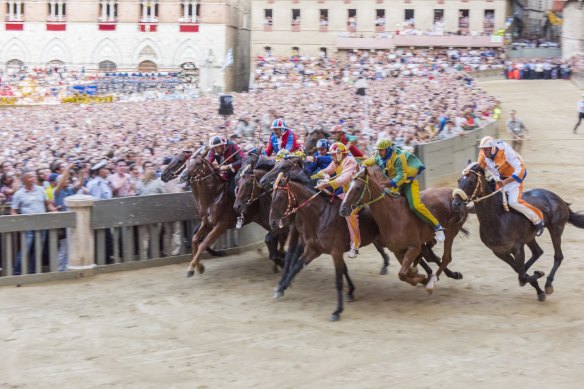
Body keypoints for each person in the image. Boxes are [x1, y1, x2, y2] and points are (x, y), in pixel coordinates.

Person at [363, 139, 446, 242]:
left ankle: (437, 226)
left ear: (388, 149)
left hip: (407, 184)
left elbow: (402, 176)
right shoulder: (378, 157)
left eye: (382, 150)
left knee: (415, 206)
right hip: (394, 185)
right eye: (378, 150)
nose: (379, 152)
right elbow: (367, 161)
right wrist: (362, 167)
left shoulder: (398, 157)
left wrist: (388, 183)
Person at [477, 136, 545, 236]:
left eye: (485, 149)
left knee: (513, 202)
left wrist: (506, 182)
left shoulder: (505, 151)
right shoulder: (483, 154)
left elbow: (520, 169)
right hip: (498, 178)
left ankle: (538, 220)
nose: (483, 151)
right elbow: (479, 169)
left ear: (492, 148)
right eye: (482, 149)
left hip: (514, 178)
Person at [314, 142, 361, 258]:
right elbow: (323, 171)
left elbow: (343, 180)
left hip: (358, 193)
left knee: (350, 214)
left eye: (333, 154)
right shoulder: (336, 161)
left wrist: (326, 184)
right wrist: (325, 177)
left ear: (339, 154)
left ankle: (355, 245)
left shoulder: (350, 161)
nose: (331, 157)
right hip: (347, 192)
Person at [11, 170, 58, 275]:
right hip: (27, 225)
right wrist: (17, 222)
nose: (33, 179)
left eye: (34, 177)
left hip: (42, 223)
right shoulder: (19, 194)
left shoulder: (41, 190)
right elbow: (14, 210)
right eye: (30, 177)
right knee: (25, 249)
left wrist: (54, 210)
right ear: (24, 179)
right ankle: (17, 272)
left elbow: (48, 204)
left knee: (38, 249)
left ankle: (33, 271)